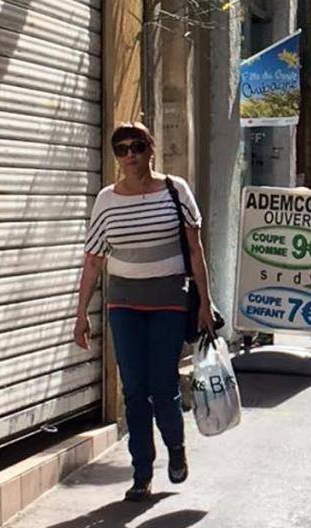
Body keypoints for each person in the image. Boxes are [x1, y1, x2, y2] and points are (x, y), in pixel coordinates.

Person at [74, 123, 215, 502]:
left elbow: (195, 249)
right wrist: (80, 312)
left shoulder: (175, 190)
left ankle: (176, 447)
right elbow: (93, 260)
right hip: (123, 305)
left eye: (137, 146)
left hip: (170, 300)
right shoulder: (106, 200)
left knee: (162, 383)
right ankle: (141, 473)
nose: (130, 154)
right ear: (116, 156)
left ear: (151, 149)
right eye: (121, 149)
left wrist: (205, 301)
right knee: (134, 390)